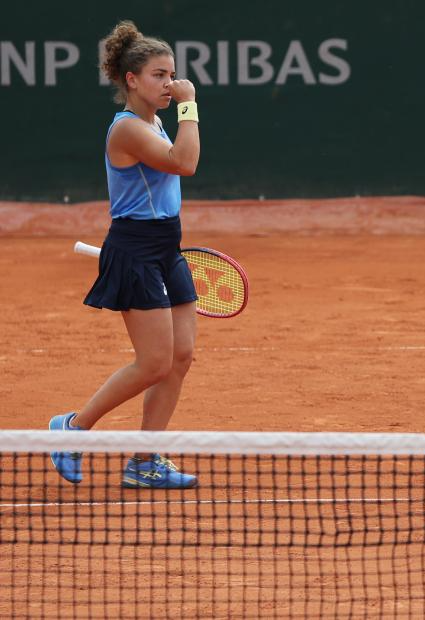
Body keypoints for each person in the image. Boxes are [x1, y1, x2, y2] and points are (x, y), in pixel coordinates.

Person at [48, 20, 201, 489]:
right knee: (153, 362)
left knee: (180, 356)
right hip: (135, 250)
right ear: (132, 80)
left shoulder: (154, 121)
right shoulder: (128, 130)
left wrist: (179, 108)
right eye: (159, 75)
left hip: (167, 247)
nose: (170, 83)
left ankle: (145, 461)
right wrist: (190, 104)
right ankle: (72, 428)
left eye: (172, 75)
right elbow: (185, 162)